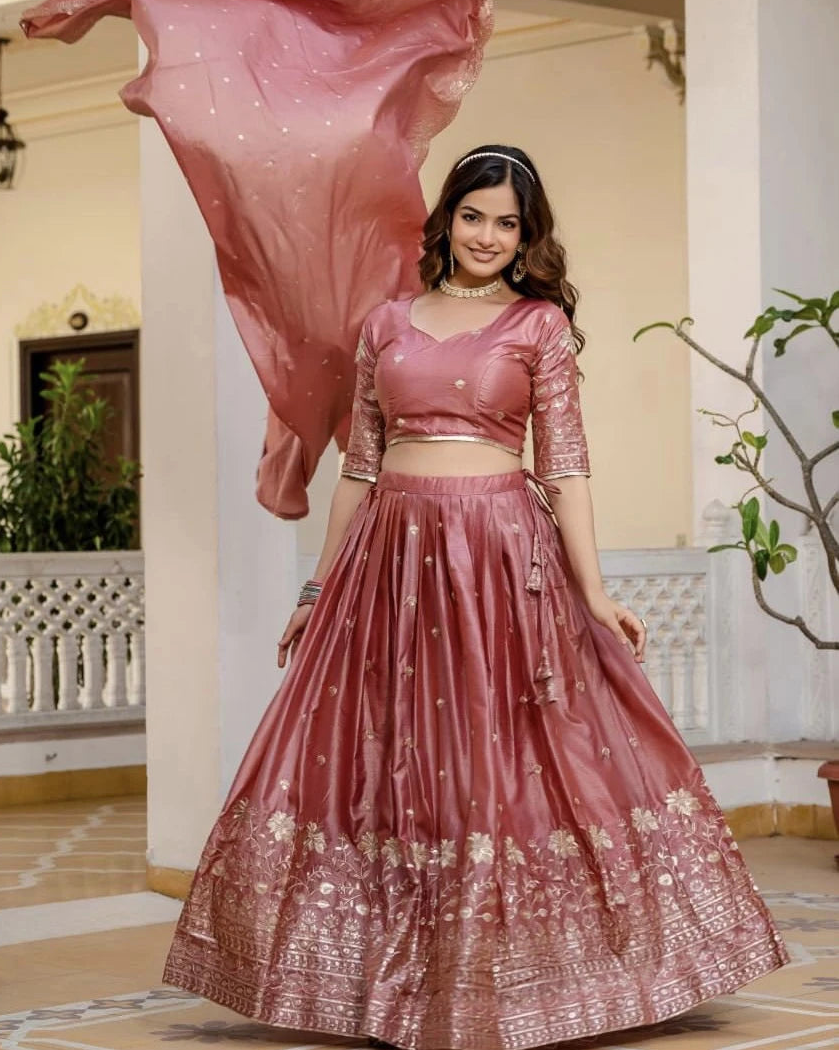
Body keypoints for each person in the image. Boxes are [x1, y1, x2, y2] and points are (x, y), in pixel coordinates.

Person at [162, 145, 788, 1050]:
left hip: (498, 559)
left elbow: (564, 467)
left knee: (503, 755)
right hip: (391, 564)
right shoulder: (383, 323)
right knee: (394, 758)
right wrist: (315, 585)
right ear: (444, 219)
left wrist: (595, 592)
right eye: (473, 215)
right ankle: (393, 981)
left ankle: (513, 979)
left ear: (526, 236)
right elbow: (358, 471)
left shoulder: (537, 329)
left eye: (508, 222)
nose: (488, 236)